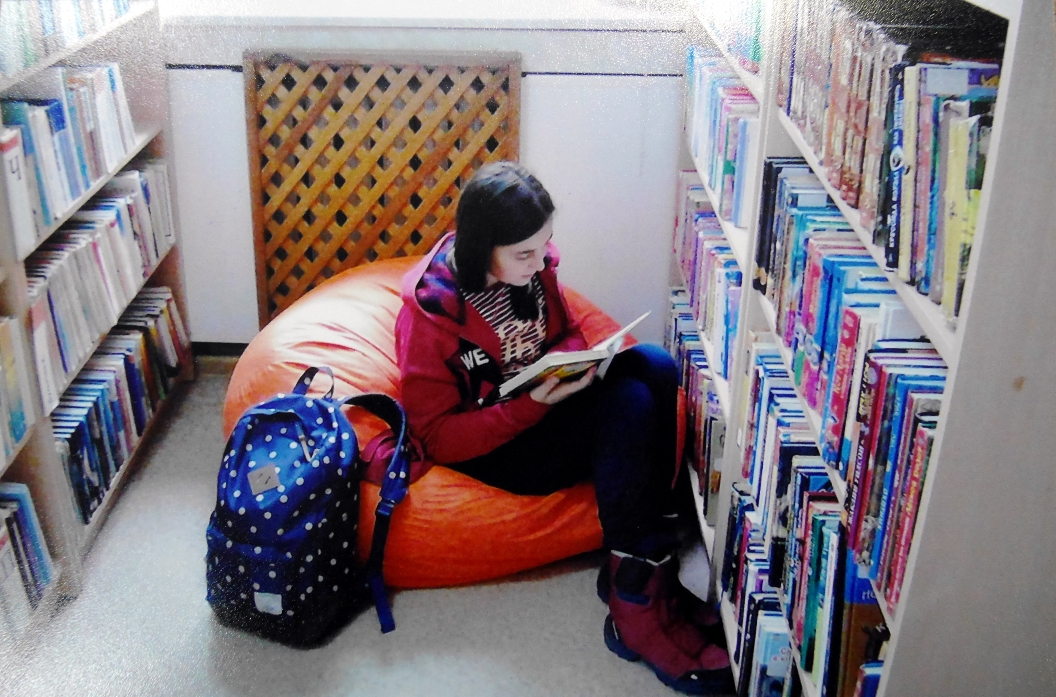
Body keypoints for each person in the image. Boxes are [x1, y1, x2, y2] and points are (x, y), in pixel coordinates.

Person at [394, 161, 733, 695]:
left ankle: (648, 574)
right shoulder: (430, 315)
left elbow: (569, 331)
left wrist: (570, 364)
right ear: (482, 246)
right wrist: (531, 405)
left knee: (655, 366)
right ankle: (635, 607)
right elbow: (436, 438)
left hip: (541, 402)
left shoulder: (532, 270)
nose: (542, 262)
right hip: (495, 445)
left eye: (544, 246)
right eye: (525, 254)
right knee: (627, 407)